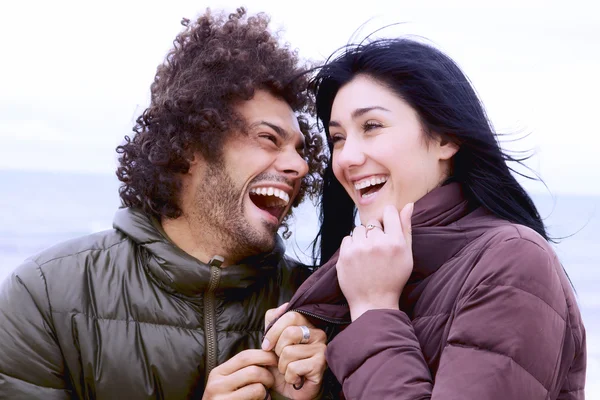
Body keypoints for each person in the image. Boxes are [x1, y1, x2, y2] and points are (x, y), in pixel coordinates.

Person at [0, 8, 333, 400]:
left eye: (299, 149)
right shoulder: (44, 296)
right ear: (191, 145)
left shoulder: (316, 304)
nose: (299, 165)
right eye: (267, 138)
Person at [263, 37, 586, 399]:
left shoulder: (512, 261)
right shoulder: (362, 271)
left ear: (445, 137)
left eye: (372, 126)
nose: (347, 157)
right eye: (338, 137)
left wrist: (373, 309)